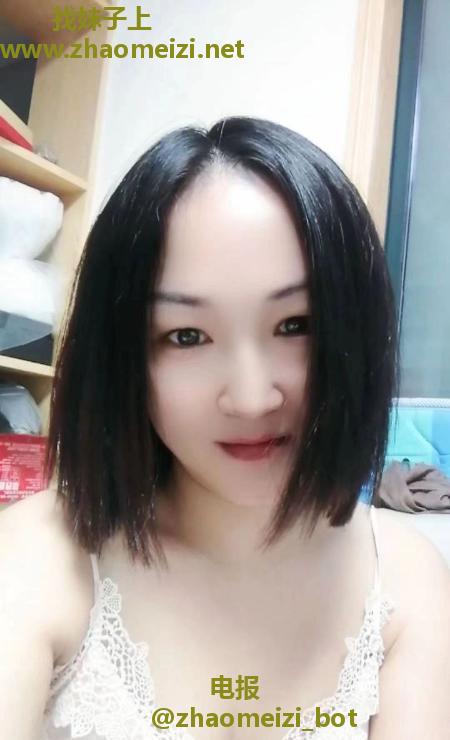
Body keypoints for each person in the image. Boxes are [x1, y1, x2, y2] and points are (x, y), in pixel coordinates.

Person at [0, 116, 448, 740]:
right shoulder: (39, 555)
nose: (251, 398)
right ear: (123, 356)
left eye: (296, 325)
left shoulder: (405, 577)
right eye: (187, 336)